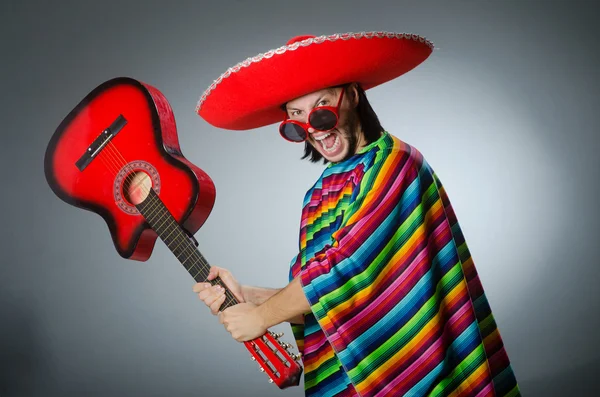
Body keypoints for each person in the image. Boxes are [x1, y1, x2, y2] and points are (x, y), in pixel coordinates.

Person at [192, 32, 521, 397]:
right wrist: (250, 296)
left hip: (422, 379)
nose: (314, 130)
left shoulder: (396, 164)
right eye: (296, 120)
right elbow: (334, 306)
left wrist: (261, 318)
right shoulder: (319, 194)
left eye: (321, 108)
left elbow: (344, 270)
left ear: (351, 94)